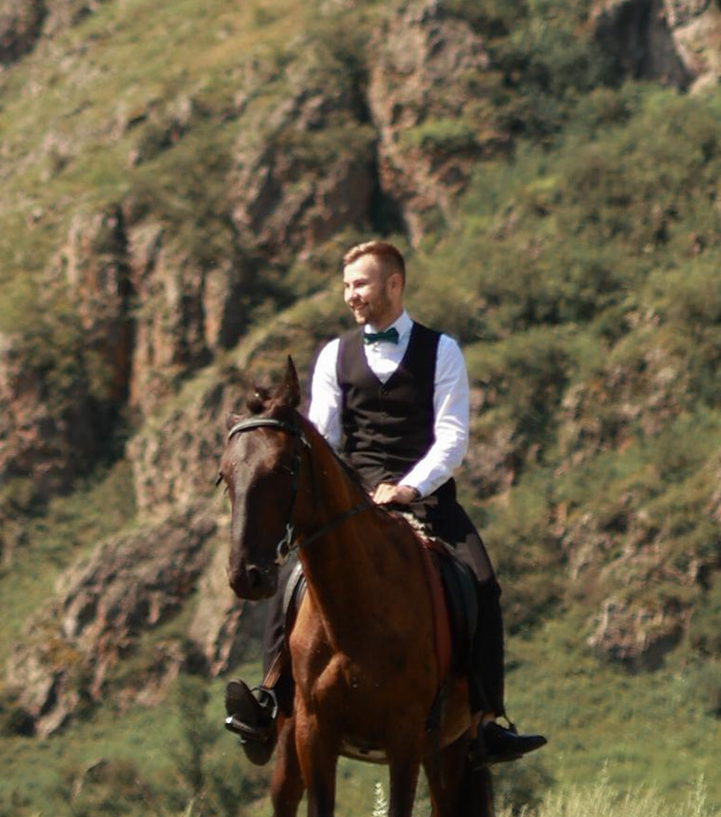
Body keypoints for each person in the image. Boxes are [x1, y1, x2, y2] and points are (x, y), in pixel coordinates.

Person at [223, 234, 545, 769]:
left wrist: (410, 488)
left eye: (361, 284)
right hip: (354, 502)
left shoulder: (442, 350)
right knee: (290, 582)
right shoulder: (334, 355)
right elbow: (323, 436)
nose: (352, 295)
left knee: (483, 582)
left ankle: (485, 719)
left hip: (426, 500)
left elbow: (452, 436)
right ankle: (273, 697)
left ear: (393, 284)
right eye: (347, 286)